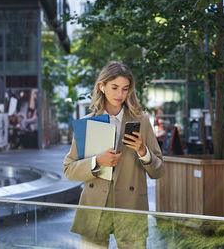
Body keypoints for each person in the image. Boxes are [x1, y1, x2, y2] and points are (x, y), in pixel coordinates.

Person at [63, 61, 164, 248]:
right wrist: (97, 161)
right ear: (102, 86)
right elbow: (69, 169)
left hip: (131, 206)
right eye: (115, 87)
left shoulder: (141, 121)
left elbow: (158, 171)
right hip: (95, 207)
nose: (120, 95)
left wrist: (143, 151)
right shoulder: (87, 123)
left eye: (125, 89)